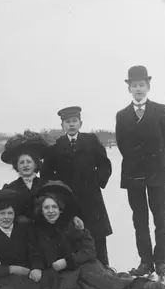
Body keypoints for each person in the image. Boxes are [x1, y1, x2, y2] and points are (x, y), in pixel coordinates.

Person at [33, 181, 165, 289]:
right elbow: (36, 253)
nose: (51, 211)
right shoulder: (38, 230)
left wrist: (67, 261)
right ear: (41, 210)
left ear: (60, 209)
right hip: (62, 276)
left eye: (54, 207)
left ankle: (141, 285)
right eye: (46, 208)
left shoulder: (73, 226)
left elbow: (89, 251)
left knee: (103, 283)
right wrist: (38, 267)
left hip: (83, 268)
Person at [115, 66, 165, 278]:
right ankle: (145, 263)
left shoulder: (160, 110)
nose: (138, 89)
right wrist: (136, 163)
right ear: (129, 89)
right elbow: (121, 144)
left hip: (157, 172)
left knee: (160, 218)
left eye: (142, 85)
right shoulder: (122, 115)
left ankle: (161, 262)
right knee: (139, 220)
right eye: (134, 86)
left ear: (148, 86)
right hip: (134, 175)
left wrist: (156, 161)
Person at [41, 106, 113, 268]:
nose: (71, 125)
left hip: (91, 197)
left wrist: (96, 182)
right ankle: (80, 271)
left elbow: (104, 165)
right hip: (68, 200)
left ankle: (104, 268)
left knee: (97, 235)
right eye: (67, 122)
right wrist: (57, 192)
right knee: (73, 234)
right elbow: (46, 174)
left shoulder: (91, 141)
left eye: (74, 121)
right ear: (62, 125)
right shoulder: (56, 147)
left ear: (81, 123)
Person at [0, 130, 85, 236]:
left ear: (35, 164)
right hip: (22, 235)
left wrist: (73, 217)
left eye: (29, 162)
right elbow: (4, 212)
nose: (25, 165)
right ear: (16, 166)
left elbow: (62, 208)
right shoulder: (10, 189)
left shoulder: (49, 185)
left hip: (46, 234)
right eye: (21, 162)